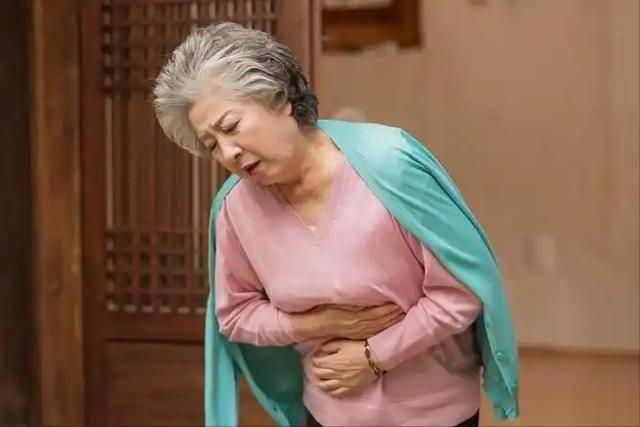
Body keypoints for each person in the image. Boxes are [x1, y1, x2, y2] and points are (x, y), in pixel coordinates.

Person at [153, 23, 519, 427]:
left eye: (230, 126)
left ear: (279, 98)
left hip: (434, 413)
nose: (228, 152)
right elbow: (236, 314)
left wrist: (374, 356)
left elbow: (461, 290)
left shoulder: (390, 166)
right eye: (211, 145)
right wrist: (314, 324)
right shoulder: (235, 210)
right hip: (327, 411)